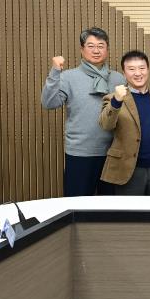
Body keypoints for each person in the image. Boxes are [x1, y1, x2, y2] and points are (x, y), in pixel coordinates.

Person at [41, 27, 124, 197]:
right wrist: (55, 71)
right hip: (80, 153)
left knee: (110, 206)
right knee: (77, 204)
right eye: (90, 46)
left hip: (111, 153)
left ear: (107, 49)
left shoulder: (118, 78)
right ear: (82, 49)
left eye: (101, 46)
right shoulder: (68, 77)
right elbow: (48, 103)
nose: (96, 50)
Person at [98, 50, 150, 195]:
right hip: (128, 169)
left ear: (148, 70)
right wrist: (116, 101)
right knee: (130, 210)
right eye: (131, 69)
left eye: (142, 68)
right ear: (124, 73)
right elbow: (106, 125)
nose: (138, 73)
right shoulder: (113, 98)